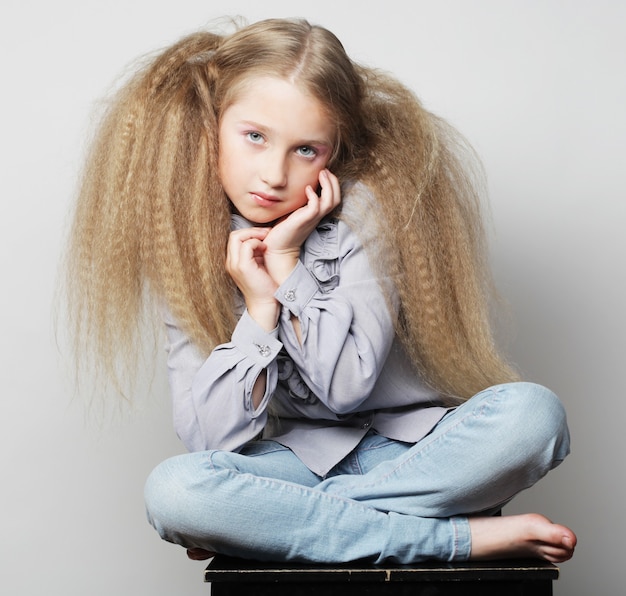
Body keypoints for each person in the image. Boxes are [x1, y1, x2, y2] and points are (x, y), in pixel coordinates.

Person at [65, 17, 577, 564]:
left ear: (334, 151)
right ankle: (453, 539)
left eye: (305, 150)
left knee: (534, 417)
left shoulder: (367, 213)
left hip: (416, 453)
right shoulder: (187, 245)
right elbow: (214, 443)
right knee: (175, 490)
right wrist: (259, 312)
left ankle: (286, 522)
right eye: (255, 137)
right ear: (211, 126)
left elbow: (346, 387)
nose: (274, 174)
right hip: (294, 462)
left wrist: (288, 266)